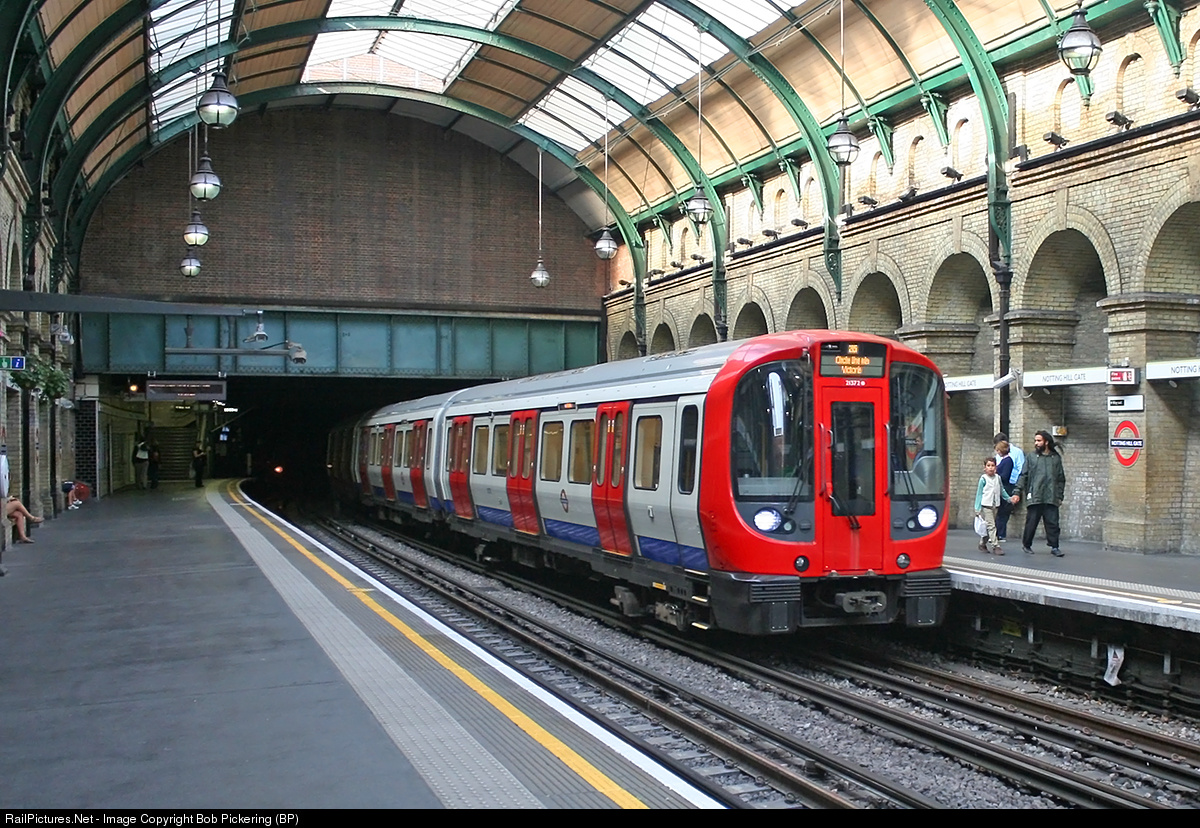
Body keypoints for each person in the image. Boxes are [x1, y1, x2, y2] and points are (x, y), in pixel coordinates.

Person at [1012, 430, 1067, 557]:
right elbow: (1023, 476)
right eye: (1035, 440)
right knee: (1031, 522)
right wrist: (1017, 492)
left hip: (1051, 496)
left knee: (1053, 522)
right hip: (1035, 494)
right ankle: (1027, 545)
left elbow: (1060, 479)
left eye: (1039, 440)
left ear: (1046, 442)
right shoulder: (1031, 457)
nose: (1036, 443)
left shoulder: (1055, 458)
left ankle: (1054, 546)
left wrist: (1059, 495)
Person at [974, 457, 1004, 555]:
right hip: (986, 505)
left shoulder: (998, 478)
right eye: (988, 466)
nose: (990, 468)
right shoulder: (983, 479)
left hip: (995, 505)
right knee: (992, 526)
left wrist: (1009, 498)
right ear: (985, 468)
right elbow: (979, 494)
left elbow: (1002, 490)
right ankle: (996, 546)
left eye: (992, 466)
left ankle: (982, 543)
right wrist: (977, 508)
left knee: (988, 527)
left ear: (996, 467)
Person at [994, 440, 1017, 542]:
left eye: (998, 450)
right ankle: (998, 533)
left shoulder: (1007, 461)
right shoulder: (1004, 460)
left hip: (1006, 488)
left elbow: (1005, 476)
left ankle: (1001, 534)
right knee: (1001, 513)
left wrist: (995, 474)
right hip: (1003, 488)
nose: (997, 452)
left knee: (1002, 513)